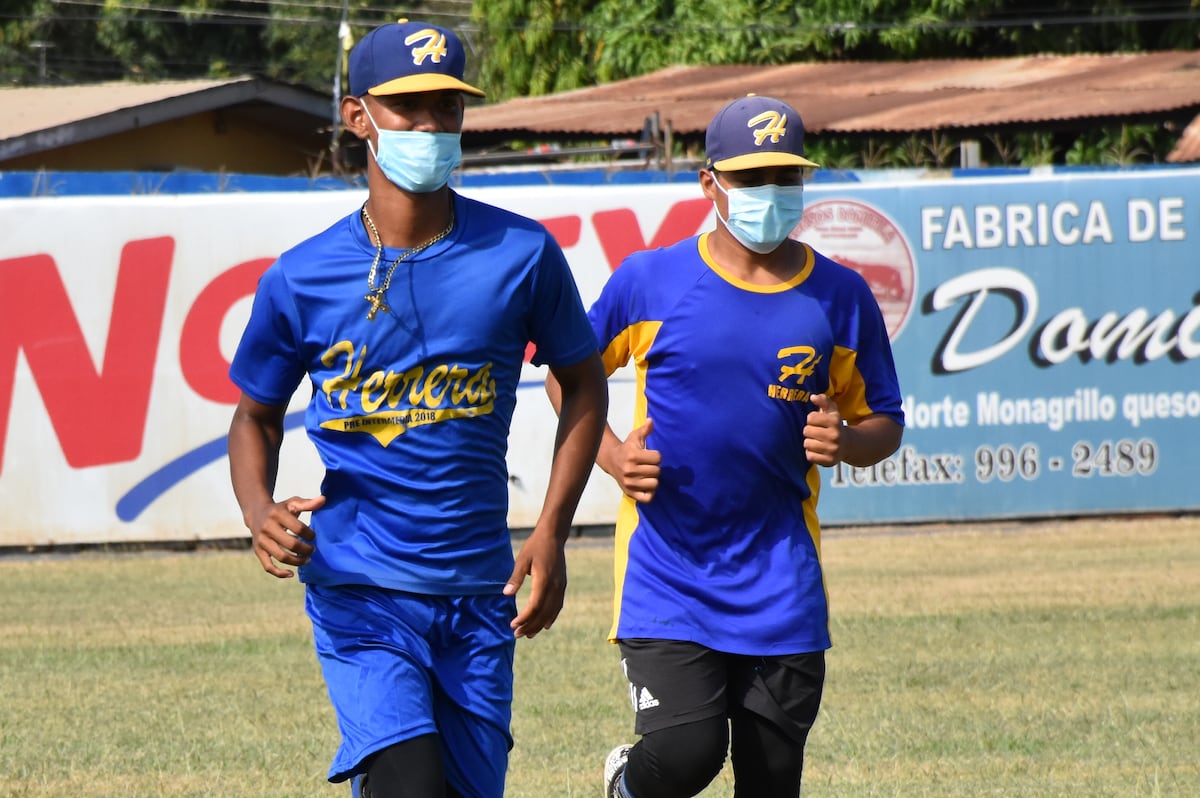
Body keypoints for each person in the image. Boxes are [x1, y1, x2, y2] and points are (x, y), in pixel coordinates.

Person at [226, 19, 608, 798]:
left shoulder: (522, 254)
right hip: (360, 587)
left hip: (479, 593)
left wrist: (551, 532)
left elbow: (587, 383)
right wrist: (257, 506)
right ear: (357, 115)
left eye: (447, 107)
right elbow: (256, 415)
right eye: (408, 107)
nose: (431, 125)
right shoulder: (302, 277)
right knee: (411, 785)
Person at [548, 94, 905, 798]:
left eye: (785, 178)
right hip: (666, 571)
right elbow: (570, 380)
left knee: (771, 782)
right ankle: (626, 783)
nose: (769, 195)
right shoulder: (648, 280)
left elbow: (884, 422)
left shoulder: (841, 296)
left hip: (782, 576)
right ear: (709, 182)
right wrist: (614, 455)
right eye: (749, 178)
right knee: (686, 752)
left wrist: (848, 441)